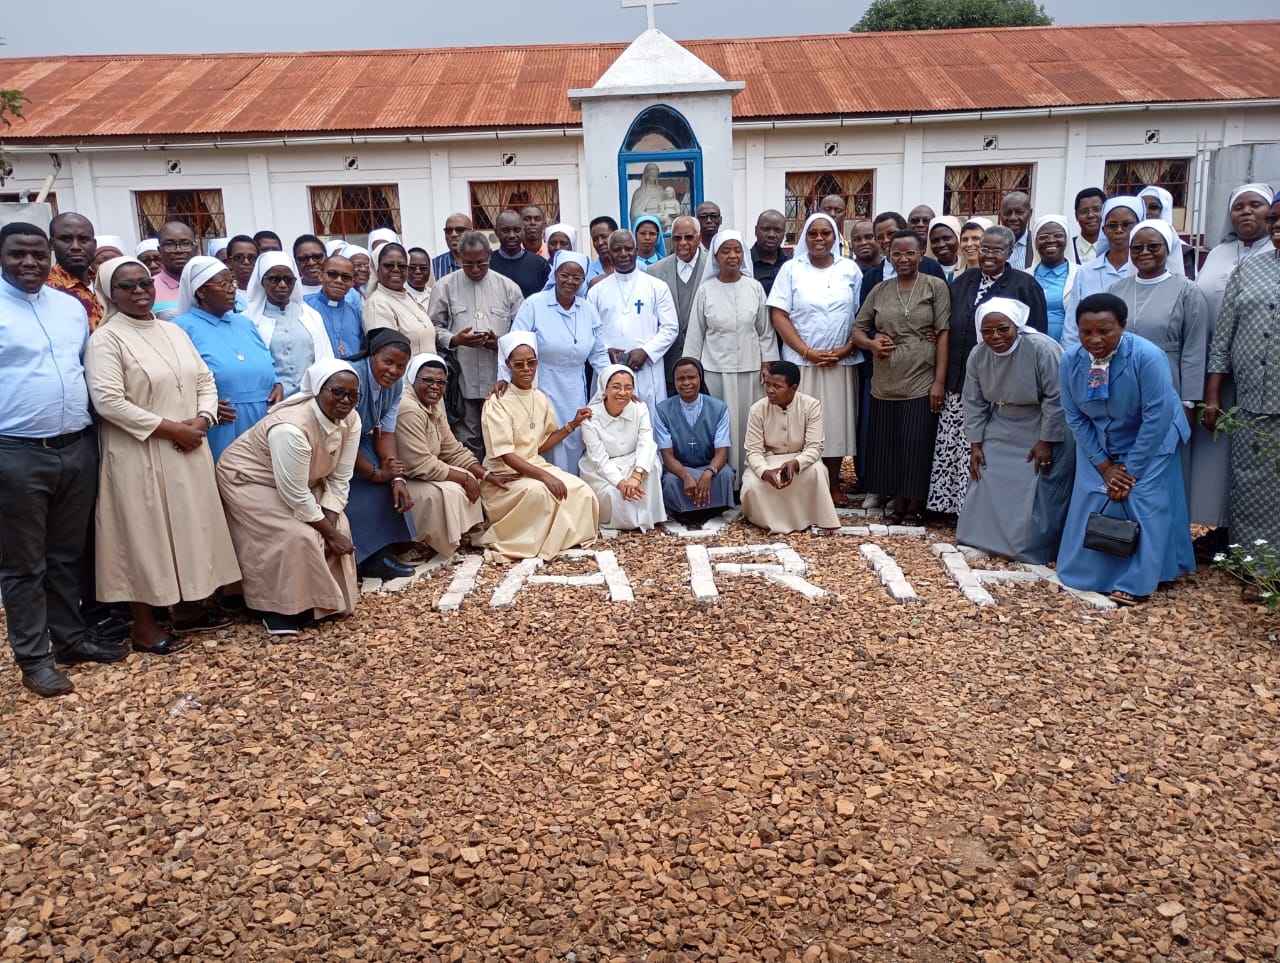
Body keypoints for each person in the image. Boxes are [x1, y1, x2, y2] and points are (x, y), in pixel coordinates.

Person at [85, 255, 240, 653]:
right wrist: (173, 428)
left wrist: (203, 420)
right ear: (109, 292)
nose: (139, 291)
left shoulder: (172, 330)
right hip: (140, 451)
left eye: (144, 283)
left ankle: (190, 607)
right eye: (127, 286)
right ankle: (144, 625)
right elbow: (108, 401)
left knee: (192, 525)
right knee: (143, 534)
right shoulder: (107, 339)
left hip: (188, 444)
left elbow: (203, 377)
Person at [0, 223, 127, 697]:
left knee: (67, 555)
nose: (29, 263)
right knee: (23, 564)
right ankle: (34, 658)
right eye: (17, 254)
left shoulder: (70, 308)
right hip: (15, 451)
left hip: (75, 445)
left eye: (37, 254)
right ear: (2, 257)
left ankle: (71, 639)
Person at [1057, 293, 1195, 605]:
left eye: (1104, 331)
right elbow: (1075, 417)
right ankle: (1089, 571)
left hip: (1153, 439)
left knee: (1141, 496)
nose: (1094, 340)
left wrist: (1129, 471)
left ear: (1123, 326)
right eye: (1086, 332)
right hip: (1099, 441)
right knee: (1094, 492)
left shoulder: (1148, 357)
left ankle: (1138, 579)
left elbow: (1156, 417)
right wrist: (1104, 466)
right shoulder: (1069, 361)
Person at [216, 359, 360, 635]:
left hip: (298, 481)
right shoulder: (290, 428)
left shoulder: (351, 419)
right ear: (318, 391)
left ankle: (322, 602)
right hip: (249, 479)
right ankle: (276, 608)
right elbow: (294, 493)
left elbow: (341, 475)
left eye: (353, 394)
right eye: (337, 392)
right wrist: (327, 532)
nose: (345, 400)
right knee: (294, 534)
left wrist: (330, 522)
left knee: (339, 524)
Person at [928, 225, 1049, 516]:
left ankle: (977, 510)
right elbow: (944, 324)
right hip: (960, 377)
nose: (989, 255)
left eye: (997, 249)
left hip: (1001, 382)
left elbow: (1036, 335)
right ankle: (950, 506)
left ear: (1009, 253)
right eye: (985, 248)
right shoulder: (963, 280)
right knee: (955, 445)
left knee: (986, 448)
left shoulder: (1024, 284)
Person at [955, 298, 1073, 563]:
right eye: (987, 331)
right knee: (985, 473)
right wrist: (975, 443)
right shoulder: (978, 354)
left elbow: (1057, 397)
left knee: (1034, 483)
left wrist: (1046, 440)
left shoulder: (1042, 348)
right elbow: (973, 400)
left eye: (1003, 329)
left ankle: (1027, 547)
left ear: (1017, 326)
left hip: (1041, 424)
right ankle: (982, 539)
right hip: (1001, 421)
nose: (995, 336)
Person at [1203, 191, 1280, 588]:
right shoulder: (1249, 269)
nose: (1277, 226)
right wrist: (1213, 395)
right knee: (1250, 488)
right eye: (1276, 220)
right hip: (1252, 397)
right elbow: (1223, 338)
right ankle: (1255, 570)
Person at [849, 229, 951, 526]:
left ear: (921, 254)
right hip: (884, 380)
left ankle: (915, 505)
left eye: (909, 253)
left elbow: (943, 333)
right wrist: (870, 343)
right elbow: (857, 329)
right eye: (897, 253)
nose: (903, 259)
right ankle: (896, 503)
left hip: (921, 377)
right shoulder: (880, 289)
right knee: (890, 445)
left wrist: (939, 382)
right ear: (889, 255)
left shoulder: (934, 287)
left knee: (915, 443)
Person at [1191, 182, 1275, 536]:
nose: (1246, 212)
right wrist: (1211, 386)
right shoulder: (1225, 257)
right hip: (1226, 374)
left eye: (1256, 205)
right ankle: (1224, 531)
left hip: (1269, 385)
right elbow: (1220, 325)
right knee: (1227, 464)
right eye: (1239, 206)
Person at [475, 331, 599, 561]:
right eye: (519, 364)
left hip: (534, 465)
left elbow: (540, 444)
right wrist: (545, 476)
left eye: (531, 363)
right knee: (542, 493)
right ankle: (538, 541)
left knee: (582, 491)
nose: (526, 369)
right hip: (504, 475)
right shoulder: (497, 402)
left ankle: (563, 539)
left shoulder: (540, 397)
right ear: (508, 365)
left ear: (537, 364)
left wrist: (572, 424)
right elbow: (505, 455)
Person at [1108, 217, 1209, 498]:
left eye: (1153, 246)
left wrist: (1188, 401)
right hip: (1122, 384)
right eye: (1136, 247)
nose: (1144, 252)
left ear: (1169, 248)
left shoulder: (1187, 290)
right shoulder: (1117, 290)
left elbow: (1194, 348)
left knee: (1162, 457)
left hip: (1169, 383)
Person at [767, 212, 863, 505]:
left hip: (839, 361)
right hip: (801, 363)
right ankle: (804, 484)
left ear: (835, 237)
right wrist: (806, 351)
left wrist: (845, 349)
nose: (819, 239)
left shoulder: (851, 270)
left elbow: (861, 315)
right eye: (813, 234)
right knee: (802, 426)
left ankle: (833, 484)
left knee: (835, 424)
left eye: (826, 233)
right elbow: (778, 314)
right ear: (804, 237)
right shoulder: (791, 269)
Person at [504, 251, 609, 473]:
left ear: (583, 280)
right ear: (555, 274)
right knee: (547, 436)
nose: (570, 282)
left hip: (575, 386)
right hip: (543, 384)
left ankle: (574, 490)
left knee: (575, 436)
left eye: (577, 277)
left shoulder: (587, 309)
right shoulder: (534, 304)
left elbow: (598, 353)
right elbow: (515, 344)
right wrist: (505, 380)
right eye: (564, 275)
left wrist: (613, 381)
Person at [684, 229, 776, 479]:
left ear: (744, 254)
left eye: (737, 250)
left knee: (749, 424)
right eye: (725, 251)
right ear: (716, 256)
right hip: (715, 371)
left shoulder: (755, 288)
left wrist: (768, 363)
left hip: (751, 370)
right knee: (720, 427)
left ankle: (750, 477)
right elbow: (695, 334)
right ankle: (724, 479)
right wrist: (693, 373)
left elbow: (765, 331)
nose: (732, 256)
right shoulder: (705, 290)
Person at [171, 256, 281, 460]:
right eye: (223, 284)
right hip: (223, 421)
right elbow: (176, 380)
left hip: (263, 415)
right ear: (201, 291)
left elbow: (267, 361)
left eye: (233, 283)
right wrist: (204, 407)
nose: (232, 289)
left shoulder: (244, 323)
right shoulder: (181, 327)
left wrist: (276, 383)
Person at [428, 231, 524, 458]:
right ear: (459, 257)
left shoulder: (508, 288)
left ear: (490, 256)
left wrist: (500, 344)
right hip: (463, 379)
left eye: (481, 263)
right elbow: (432, 326)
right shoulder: (445, 287)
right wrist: (455, 339)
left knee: (501, 437)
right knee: (468, 438)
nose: (475, 269)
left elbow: (521, 334)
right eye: (468, 264)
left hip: (499, 380)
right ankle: (475, 486)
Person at [395, 353, 487, 559]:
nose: (435, 386)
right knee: (449, 490)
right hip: (406, 478)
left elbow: (451, 448)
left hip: (424, 471)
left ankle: (459, 534)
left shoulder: (433, 405)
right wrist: (464, 478)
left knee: (467, 476)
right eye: (427, 380)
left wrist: (486, 474)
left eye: (441, 382)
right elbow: (420, 465)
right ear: (413, 379)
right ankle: (422, 541)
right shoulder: (408, 409)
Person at [588, 229, 680, 425]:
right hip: (609, 368)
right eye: (617, 249)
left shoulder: (656, 286)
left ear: (636, 251)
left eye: (628, 249)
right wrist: (605, 351)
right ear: (608, 253)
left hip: (646, 370)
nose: (623, 254)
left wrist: (646, 351)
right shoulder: (596, 291)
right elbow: (589, 332)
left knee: (648, 424)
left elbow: (670, 327)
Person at [347, 328, 417, 580]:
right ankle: (361, 558)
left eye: (401, 366)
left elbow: (386, 433)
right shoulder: (351, 376)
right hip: (329, 442)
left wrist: (394, 475)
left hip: (357, 439)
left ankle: (381, 552)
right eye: (388, 362)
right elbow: (340, 437)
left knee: (389, 477)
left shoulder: (396, 386)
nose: (393, 371)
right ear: (372, 355)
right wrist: (374, 472)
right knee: (362, 484)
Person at [740, 360, 840, 534]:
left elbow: (814, 448)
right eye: (768, 384)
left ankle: (810, 517)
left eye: (777, 386)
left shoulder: (811, 405)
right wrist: (765, 472)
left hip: (801, 461)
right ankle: (767, 521)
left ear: (793, 388)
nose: (770, 390)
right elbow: (753, 451)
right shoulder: (757, 409)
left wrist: (795, 463)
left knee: (818, 472)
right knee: (751, 485)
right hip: (768, 462)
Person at [579, 364, 666, 531]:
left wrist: (636, 475)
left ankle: (647, 517)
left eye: (628, 387)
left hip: (633, 461)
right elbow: (598, 459)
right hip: (602, 467)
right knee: (612, 493)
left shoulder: (640, 408)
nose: (622, 393)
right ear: (604, 388)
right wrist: (621, 483)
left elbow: (646, 442)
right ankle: (625, 522)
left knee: (652, 465)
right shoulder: (589, 418)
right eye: (616, 387)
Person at [243, 251, 334, 397]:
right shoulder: (248, 320)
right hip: (271, 400)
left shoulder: (311, 316)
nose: (282, 285)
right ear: (262, 281)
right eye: (274, 279)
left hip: (310, 397)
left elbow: (326, 358)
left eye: (288, 279)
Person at [655, 357, 734, 522]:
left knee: (725, 474)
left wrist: (708, 473)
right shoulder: (662, 410)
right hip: (680, 469)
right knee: (670, 481)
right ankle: (684, 510)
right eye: (680, 378)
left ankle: (712, 508)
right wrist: (685, 475)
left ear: (700, 378)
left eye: (691, 377)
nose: (686, 383)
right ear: (674, 382)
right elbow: (667, 455)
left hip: (709, 467)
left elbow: (722, 452)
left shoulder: (719, 408)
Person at [1066, 196, 1144, 335]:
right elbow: (1073, 323)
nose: (1119, 230)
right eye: (1112, 225)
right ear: (1104, 229)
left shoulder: (1145, 271)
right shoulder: (1086, 271)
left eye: (1127, 225)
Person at [647, 216, 707, 394]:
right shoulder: (655, 271)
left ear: (699, 238)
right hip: (668, 364)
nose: (682, 243)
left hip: (705, 362)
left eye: (688, 237)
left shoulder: (713, 267)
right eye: (677, 238)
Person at [363, 242, 437, 355]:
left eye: (402, 266)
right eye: (388, 265)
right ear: (377, 269)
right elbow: (388, 354)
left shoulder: (408, 297)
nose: (396, 269)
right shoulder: (377, 304)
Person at [46, 212, 103, 331]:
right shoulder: (44, 290)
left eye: (83, 239)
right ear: (52, 244)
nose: (76, 246)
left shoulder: (106, 283)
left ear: (94, 245)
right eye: (66, 239)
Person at [304, 255, 364, 360]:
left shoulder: (356, 313)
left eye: (346, 277)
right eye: (332, 274)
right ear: (321, 276)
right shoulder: (304, 306)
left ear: (352, 282)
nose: (339, 281)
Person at [1031, 214, 1078, 343]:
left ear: (1066, 239)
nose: (1051, 240)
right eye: (1043, 237)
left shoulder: (1081, 274)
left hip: (1070, 345)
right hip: (1032, 347)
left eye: (1058, 235)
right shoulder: (1024, 276)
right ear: (1035, 243)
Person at [489, 210, 551, 296]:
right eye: (505, 231)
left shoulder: (539, 264)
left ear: (523, 231)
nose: (512, 235)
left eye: (516, 230)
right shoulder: (487, 262)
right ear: (496, 232)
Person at [1136, 185, 1188, 276]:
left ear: (1165, 210)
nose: (1147, 212)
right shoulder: (1129, 244)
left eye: (1153, 207)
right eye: (1142, 207)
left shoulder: (1183, 249)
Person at [153, 221, 199, 320]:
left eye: (185, 244)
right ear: (159, 251)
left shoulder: (208, 283)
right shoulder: (149, 288)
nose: (178, 250)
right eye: (169, 245)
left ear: (196, 249)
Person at [750, 209, 791, 297]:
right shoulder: (744, 263)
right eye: (766, 229)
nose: (771, 235)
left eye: (777, 230)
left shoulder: (791, 263)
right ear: (756, 230)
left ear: (784, 234)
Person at [432, 213, 473, 280]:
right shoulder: (434, 266)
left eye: (460, 229)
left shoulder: (484, 262)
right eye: (448, 230)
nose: (453, 234)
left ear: (471, 233)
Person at [926, 216, 966, 284]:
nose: (941, 245)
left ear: (958, 238)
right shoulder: (925, 269)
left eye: (946, 238)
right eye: (935, 241)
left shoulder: (967, 268)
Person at [1071, 188, 1106, 265]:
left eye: (1096, 209)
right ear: (1076, 216)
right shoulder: (1066, 248)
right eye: (1084, 211)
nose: (1091, 215)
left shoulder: (1115, 247)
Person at [1001, 191, 1035, 270]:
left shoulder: (1037, 245)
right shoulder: (992, 244)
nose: (1013, 218)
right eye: (1007, 213)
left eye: (1019, 212)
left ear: (1029, 214)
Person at [225, 235, 259, 308]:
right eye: (239, 258)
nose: (246, 262)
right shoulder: (224, 295)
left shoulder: (267, 292)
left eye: (252, 258)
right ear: (229, 262)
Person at [293, 234, 330, 299]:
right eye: (303, 258)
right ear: (296, 262)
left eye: (317, 257)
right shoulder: (291, 293)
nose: (311, 263)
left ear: (326, 257)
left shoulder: (344, 289)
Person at [587, 215, 619, 284]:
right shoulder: (587, 271)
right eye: (595, 239)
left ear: (616, 235)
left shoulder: (637, 266)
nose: (600, 243)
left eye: (604, 236)